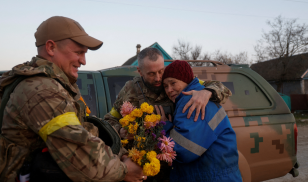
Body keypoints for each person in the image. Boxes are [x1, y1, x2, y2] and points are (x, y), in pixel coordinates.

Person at [0, 16, 145, 182]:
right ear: (51, 47)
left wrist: (122, 155)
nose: (83, 61)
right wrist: (125, 171)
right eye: (78, 52)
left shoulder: (55, 83)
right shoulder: (41, 91)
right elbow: (80, 153)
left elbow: (86, 129)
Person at [104, 48, 232, 181]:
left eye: (160, 71)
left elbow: (220, 88)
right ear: (140, 71)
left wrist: (208, 92)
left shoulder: (174, 81)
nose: (158, 78)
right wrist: (120, 130)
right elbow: (109, 119)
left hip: (172, 168)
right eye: (152, 74)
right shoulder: (130, 89)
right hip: (140, 168)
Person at [161, 60, 242, 182]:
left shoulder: (192, 101)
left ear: (186, 80)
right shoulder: (198, 94)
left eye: (173, 83)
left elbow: (185, 149)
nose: (169, 89)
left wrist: (165, 127)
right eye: (165, 86)